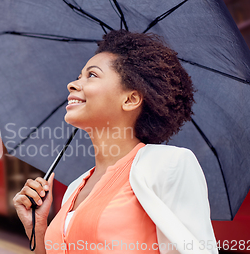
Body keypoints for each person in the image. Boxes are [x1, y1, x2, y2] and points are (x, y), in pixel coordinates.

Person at [13, 29, 218, 254]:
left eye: (91, 75)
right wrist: (38, 229)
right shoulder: (74, 188)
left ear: (130, 99)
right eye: (79, 75)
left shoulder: (169, 165)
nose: (72, 84)